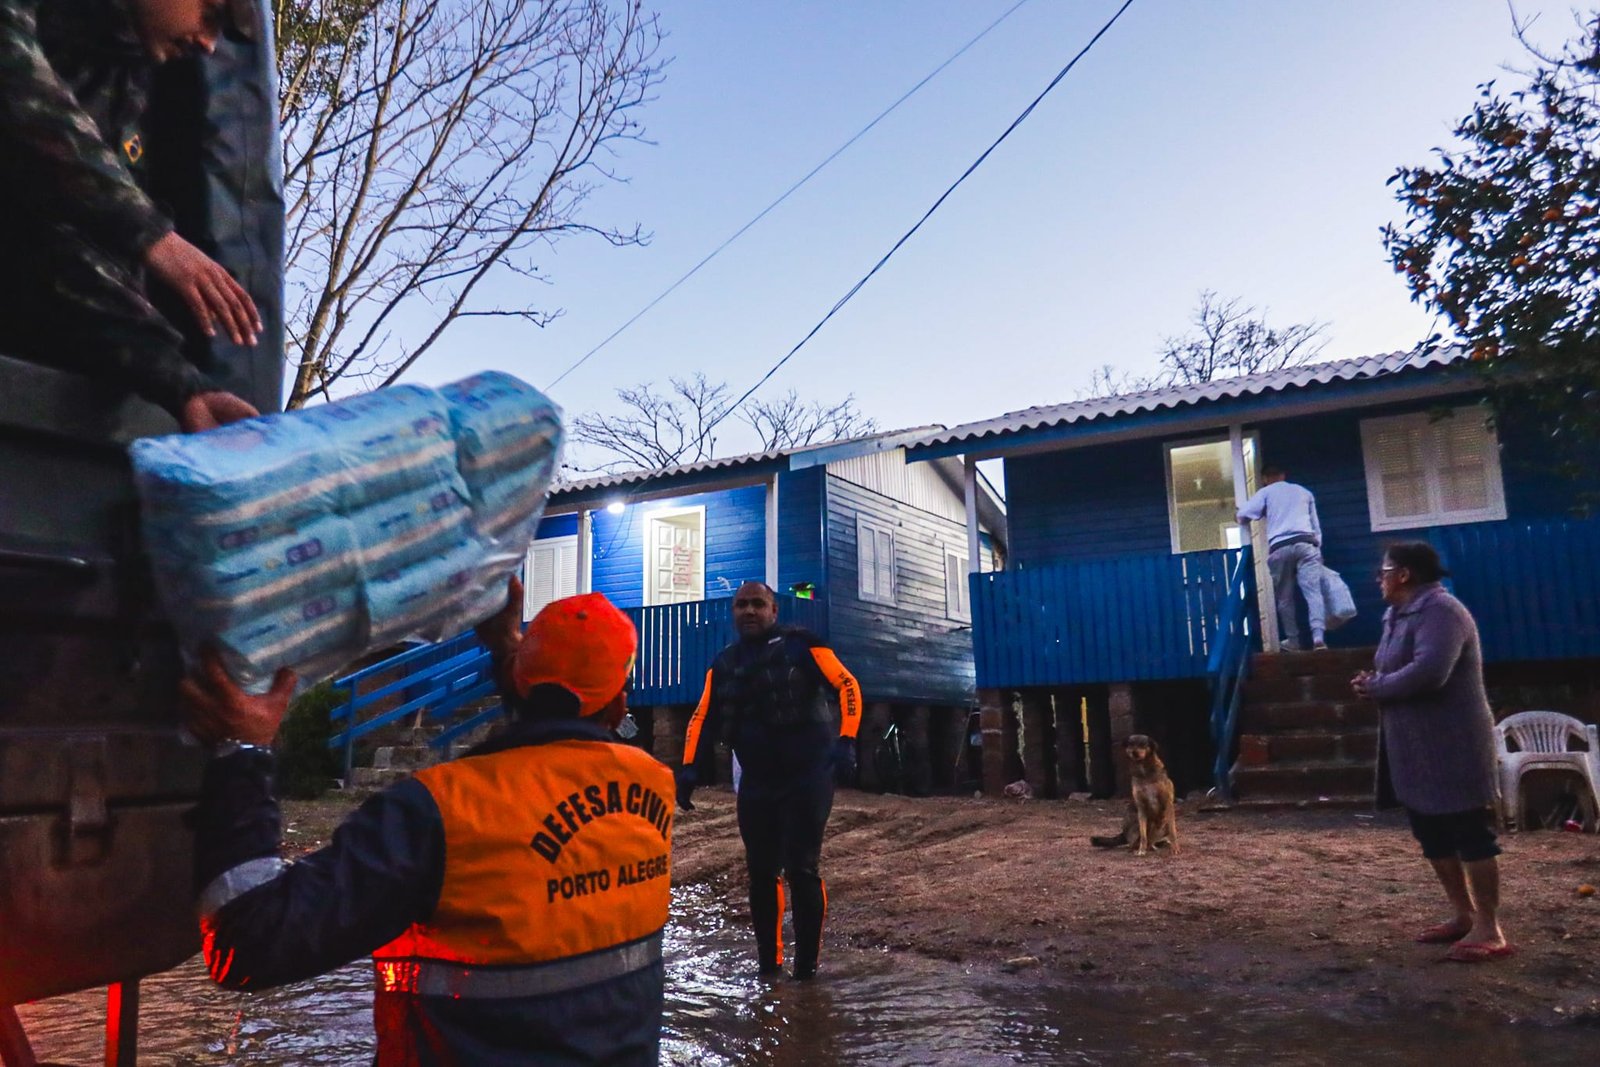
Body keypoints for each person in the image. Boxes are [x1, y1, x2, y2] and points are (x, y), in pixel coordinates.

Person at [181, 579, 676, 1064]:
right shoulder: (654, 783)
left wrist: (241, 751)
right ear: (620, 703)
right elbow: (548, 741)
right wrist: (508, 650)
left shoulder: (440, 809)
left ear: (518, 680)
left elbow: (247, 942)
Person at [0, 0, 264, 432]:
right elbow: (16, 92)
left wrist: (184, 387)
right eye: (210, 15)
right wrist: (153, 236)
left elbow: (58, 244)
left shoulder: (122, 77)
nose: (209, 45)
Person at [676, 580, 861, 980]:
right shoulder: (724, 662)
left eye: (758, 604)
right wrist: (688, 768)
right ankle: (768, 968)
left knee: (801, 868)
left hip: (808, 775)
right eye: (741, 605)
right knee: (761, 872)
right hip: (758, 781)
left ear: (774, 611)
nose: (749, 611)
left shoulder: (803, 646)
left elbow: (846, 684)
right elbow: (701, 715)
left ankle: (807, 970)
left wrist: (846, 739)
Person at [1352, 541, 1511, 963]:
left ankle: (1490, 928)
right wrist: (1371, 681)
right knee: (1432, 833)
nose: (1378, 579)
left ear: (1404, 574)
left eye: (1383, 571)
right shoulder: (1396, 616)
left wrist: (1379, 687)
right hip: (1414, 745)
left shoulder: (1443, 611)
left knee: (1470, 833)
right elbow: (1395, 668)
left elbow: (1430, 671)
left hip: (1453, 742)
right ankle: (1463, 915)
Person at [1237, 464, 1327, 651]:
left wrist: (1238, 516)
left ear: (1264, 478)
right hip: (1307, 543)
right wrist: (1318, 550)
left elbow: (1244, 514)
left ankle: (1293, 641)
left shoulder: (1266, 492)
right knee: (1313, 592)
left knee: (1285, 597)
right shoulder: (1304, 492)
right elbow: (1316, 526)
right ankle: (1318, 638)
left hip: (1280, 547)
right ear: (1283, 474)